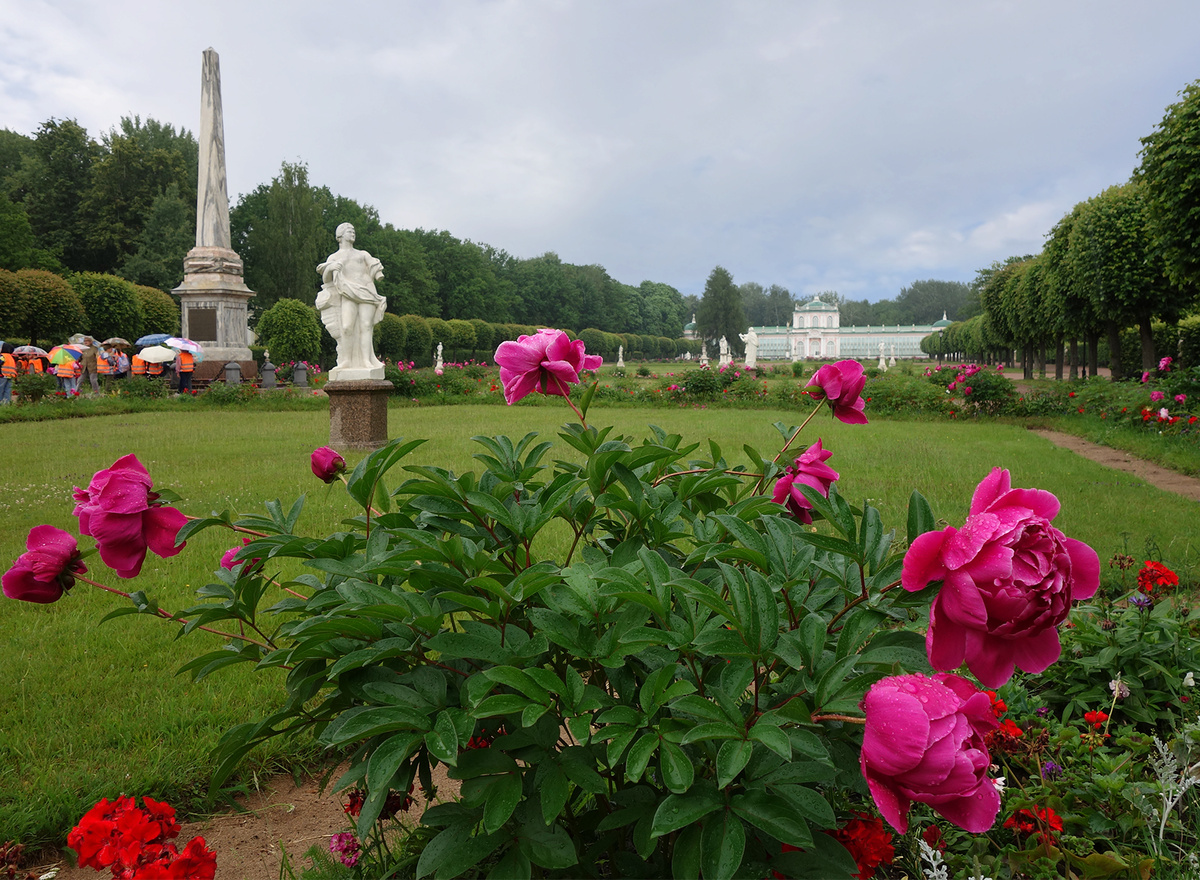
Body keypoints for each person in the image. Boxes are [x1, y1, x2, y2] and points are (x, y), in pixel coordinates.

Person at [316, 222, 386, 379]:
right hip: (348, 293)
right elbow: (326, 278)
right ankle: (346, 360)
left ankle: (367, 361)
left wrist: (377, 271)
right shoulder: (334, 257)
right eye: (349, 231)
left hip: (366, 292)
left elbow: (374, 265)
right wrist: (332, 267)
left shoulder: (361, 254)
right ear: (340, 236)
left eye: (354, 230)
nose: (353, 233)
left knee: (366, 326)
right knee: (346, 327)